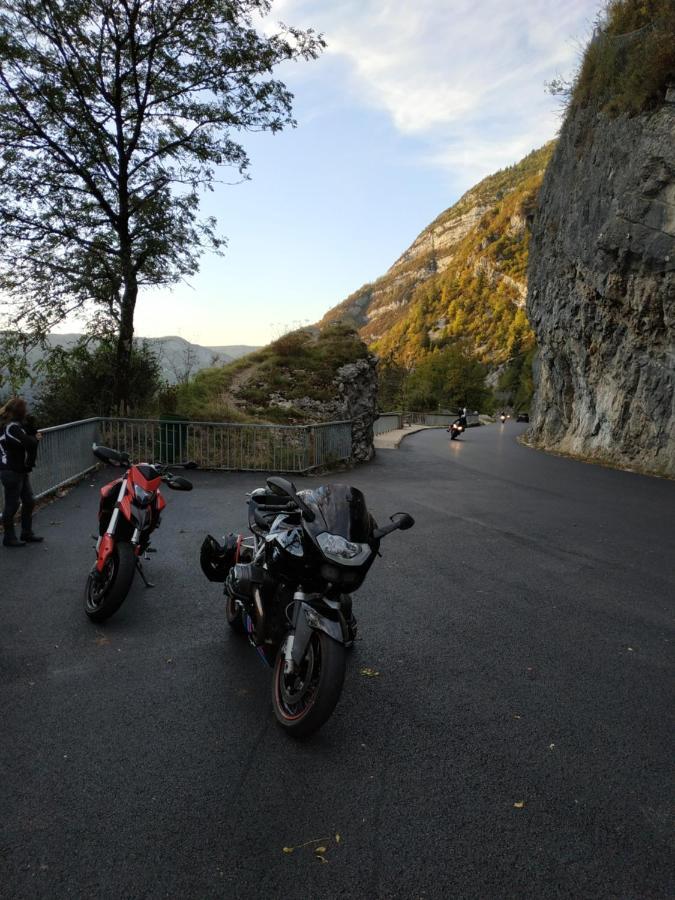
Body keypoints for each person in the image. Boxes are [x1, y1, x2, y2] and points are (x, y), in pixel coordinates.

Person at [0, 397, 43, 547]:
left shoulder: (15, 425)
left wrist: (32, 433)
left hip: (19, 470)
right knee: (12, 504)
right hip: (10, 470)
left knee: (29, 501)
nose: (26, 411)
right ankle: (9, 537)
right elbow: (28, 443)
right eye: (24, 408)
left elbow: (27, 438)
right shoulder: (11, 427)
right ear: (19, 411)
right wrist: (35, 438)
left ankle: (26, 533)